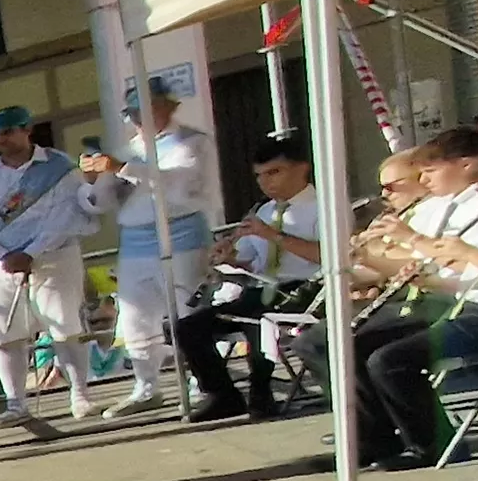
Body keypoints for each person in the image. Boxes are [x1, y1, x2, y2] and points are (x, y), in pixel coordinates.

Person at [374, 135, 478, 468]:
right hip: (475, 305)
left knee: (390, 361)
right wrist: (430, 276)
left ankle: (436, 446)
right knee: (368, 350)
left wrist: (465, 252)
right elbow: (474, 271)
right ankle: (379, 439)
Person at [0, 106, 106, 430]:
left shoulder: (60, 167)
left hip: (54, 256)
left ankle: (80, 395)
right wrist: (4, 255)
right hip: (1, 265)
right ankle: (16, 404)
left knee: (66, 328)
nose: (2, 140)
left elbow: (68, 216)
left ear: (27, 130)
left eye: (8, 132)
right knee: (5, 337)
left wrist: (32, 252)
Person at [80, 84, 212, 417]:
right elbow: (99, 203)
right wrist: (92, 180)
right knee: (136, 317)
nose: (140, 119)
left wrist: (123, 168)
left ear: (168, 107)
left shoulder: (191, 141)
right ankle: (146, 386)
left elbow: (178, 183)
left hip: (181, 235)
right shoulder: (127, 149)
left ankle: (205, 383)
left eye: (148, 110)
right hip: (136, 240)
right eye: (134, 113)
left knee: (188, 312)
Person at [180, 132, 325, 424]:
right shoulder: (263, 211)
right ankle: (223, 395)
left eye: (275, 172)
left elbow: (329, 255)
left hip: (310, 290)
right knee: (188, 327)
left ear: (302, 168)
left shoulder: (323, 206)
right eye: (260, 176)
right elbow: (254, 263)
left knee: (259, 321)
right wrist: (230, 259)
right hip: (265, 290)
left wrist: (273, 234)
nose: (266, 182)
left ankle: (262, 393)